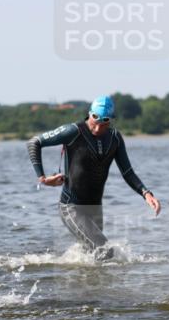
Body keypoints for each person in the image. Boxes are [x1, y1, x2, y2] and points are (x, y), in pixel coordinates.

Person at [27, 95, 161, 260]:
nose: (98, 129)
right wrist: (43, 178)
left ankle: (79, 283)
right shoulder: (73, 131)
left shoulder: (115, 139)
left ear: (111, 120)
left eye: (104, 124)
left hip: (95, 209)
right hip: (71, 207)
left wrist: (146, 194)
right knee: (106, 252)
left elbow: (128, 172)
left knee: (92, 258)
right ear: (89, 114)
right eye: (94, 122)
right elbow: (34, 142)